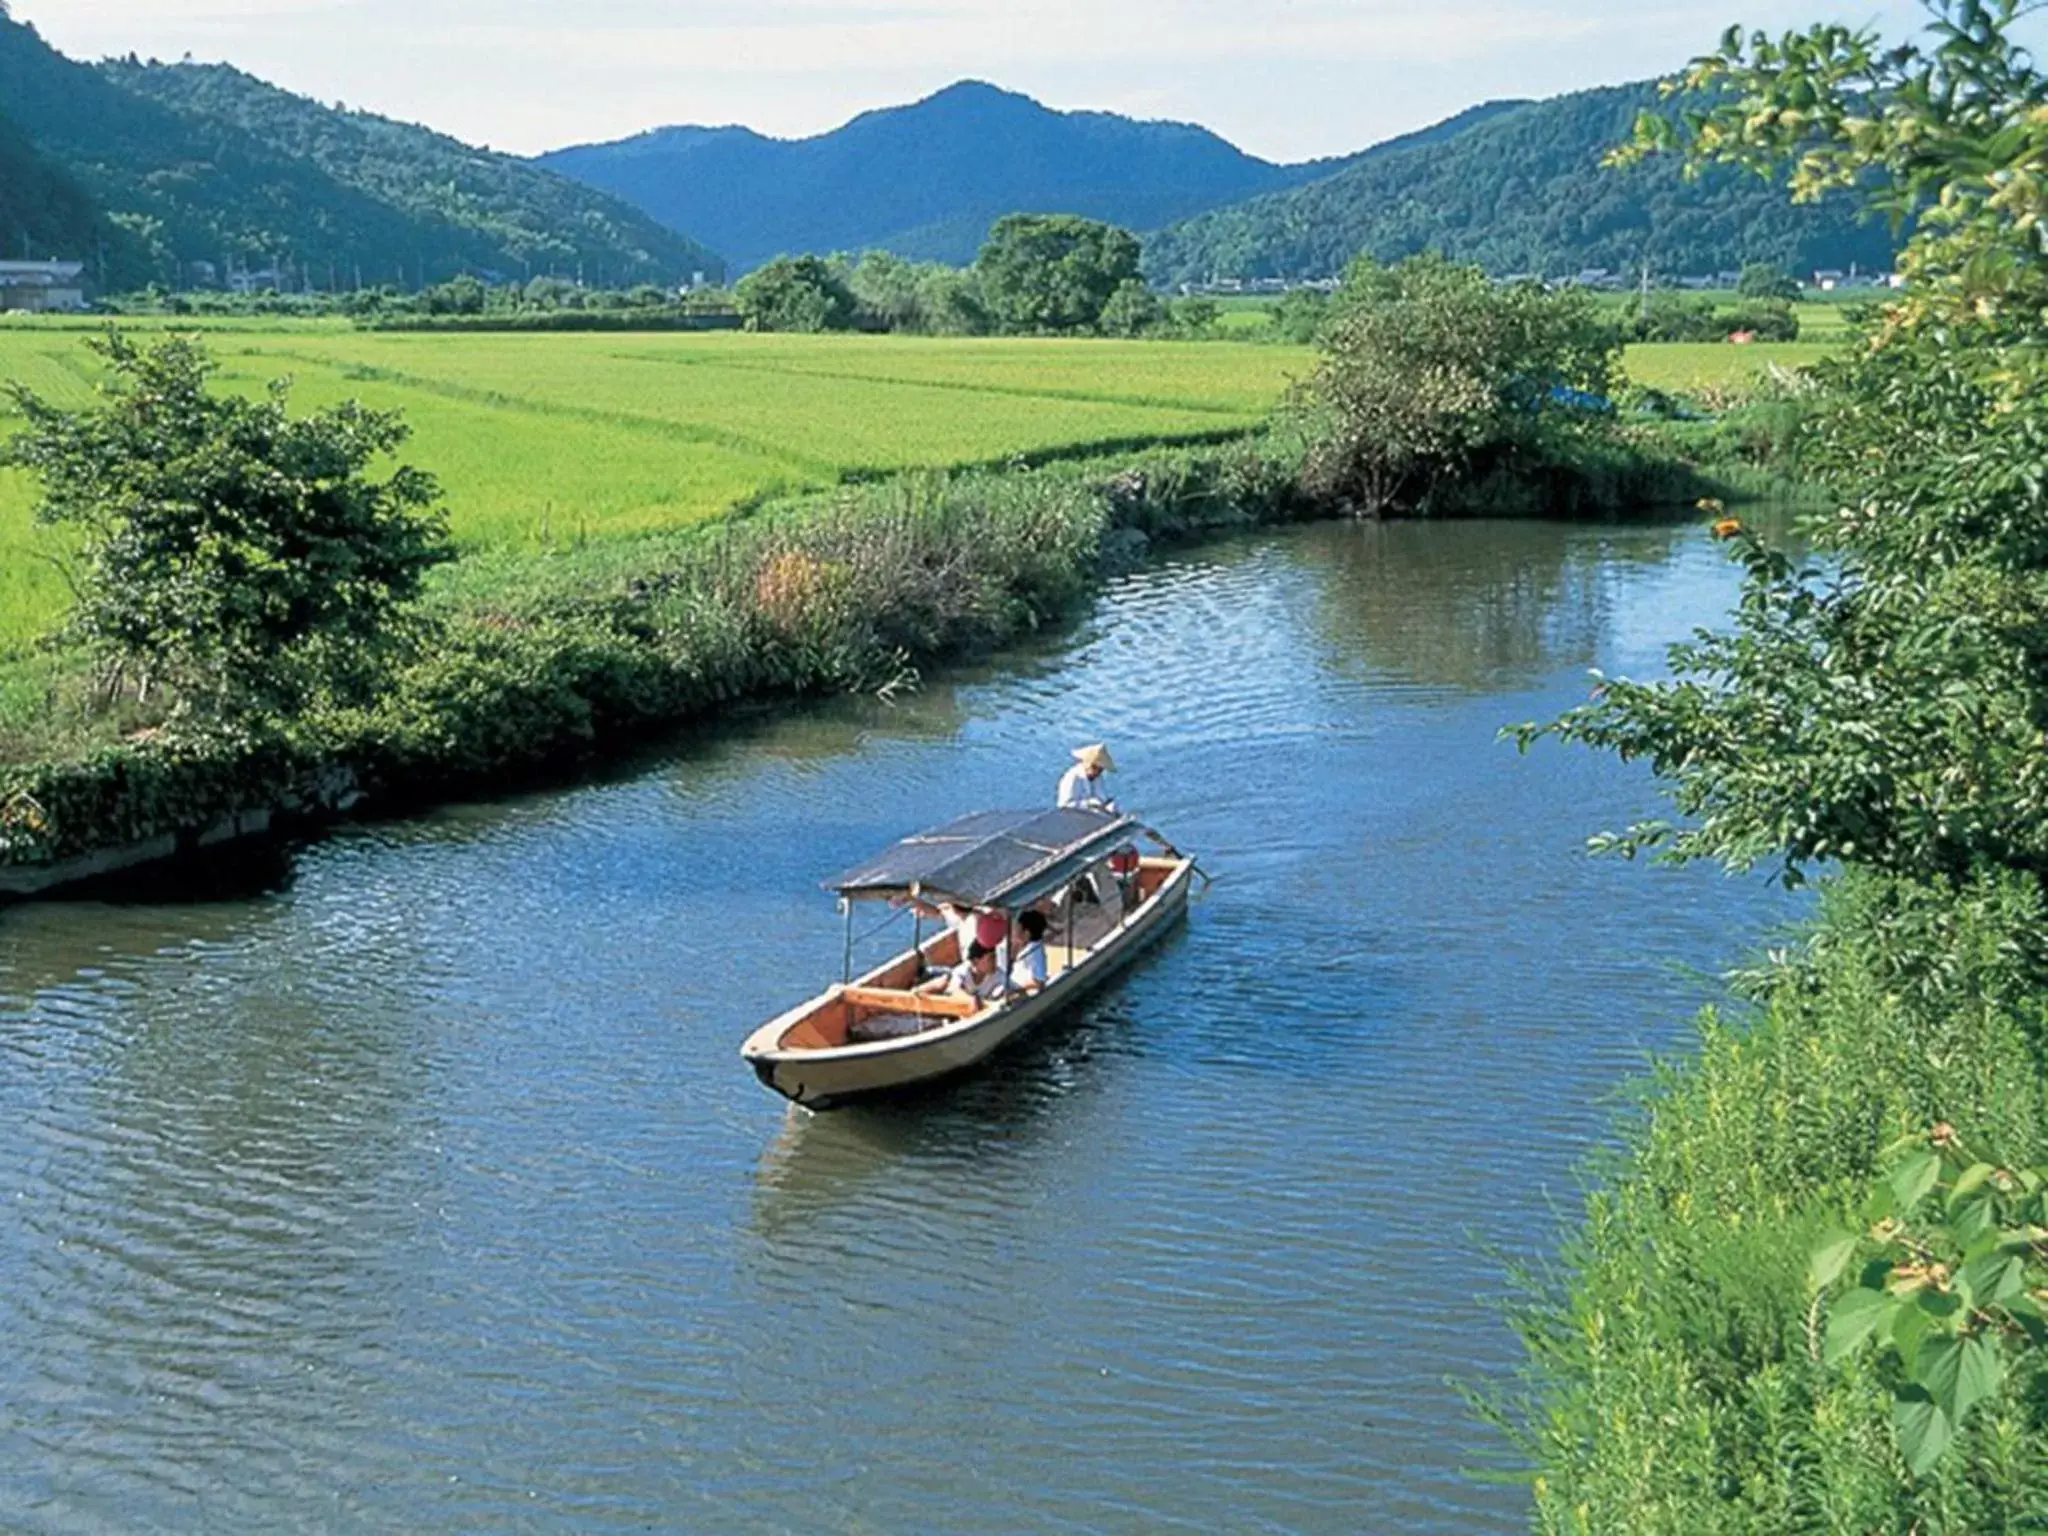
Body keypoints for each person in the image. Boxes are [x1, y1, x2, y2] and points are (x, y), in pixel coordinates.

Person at [917, 940, 1007, 1004]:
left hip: (971, 1009)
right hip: (949, 1001)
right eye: (991, 958)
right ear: (976, 961)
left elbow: (1014, 988)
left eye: (995, 957)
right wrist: (972, 1001)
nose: (995, 962)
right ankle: (915, 993)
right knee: (944, 980)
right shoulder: (963, 971)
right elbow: (953, 990)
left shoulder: (998, 974)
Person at [1058, 743, 1117, 810]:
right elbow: (1065, 805)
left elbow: (1101, 797)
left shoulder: (1097, 778)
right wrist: (1088, 804)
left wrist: (1107, 805)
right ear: (1087, 764)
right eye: (1094, 768)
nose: (1097, 772)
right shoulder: (1072, 778)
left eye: (1100, 770)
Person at [1010, 910, 1051, 994]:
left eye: (1017, 927)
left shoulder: (1035, 952)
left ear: (1027, 933)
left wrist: (1015, 989)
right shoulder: (1022, 944)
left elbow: (1039, 981)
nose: (1014, 929)